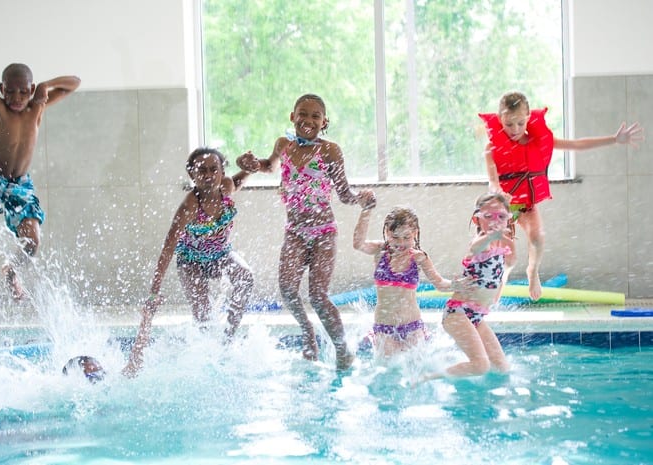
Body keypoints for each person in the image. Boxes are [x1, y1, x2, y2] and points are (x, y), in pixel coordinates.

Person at [237, 93, 376, 370]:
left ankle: (341, 349)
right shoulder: (284, 145)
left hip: (324, 232)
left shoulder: (330, 151)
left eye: (315, 116)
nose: (308, 120)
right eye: (303, 113)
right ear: (292, 116)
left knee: (317, 295)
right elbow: (270, 166)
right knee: (288, 290)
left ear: (325, 122)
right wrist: (253, 166)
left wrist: (361, 198)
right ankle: (307, 331)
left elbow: (344, 193)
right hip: (295, 231)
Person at [481, 91, 643, 300]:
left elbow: (576, 144)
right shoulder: (491, 148)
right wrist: (499, 192)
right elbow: (493, 182)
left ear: (528, 117)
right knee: (509, 259)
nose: (515, 130)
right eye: (509, 124)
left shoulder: (538, 140)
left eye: (520, 123)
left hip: (527, 207)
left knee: (538, 238)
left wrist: (614, 139)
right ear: (500, 119)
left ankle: (533, 270)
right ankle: (501, 278)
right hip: (503, 210)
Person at [0, 62, 81, 299]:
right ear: (2, 88)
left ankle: (12, 272)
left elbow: (74, 83)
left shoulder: (37, 108)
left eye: (23, 91)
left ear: (31, 90)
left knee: (32, 241)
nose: (16, 97)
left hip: (19, 186)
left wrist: (47, 85)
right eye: (10, 91)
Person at [123, 147, 254, 377]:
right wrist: (154, 290)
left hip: (220, 254)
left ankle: (228, 340)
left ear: (222, 171)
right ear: (191, 175)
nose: (208, 175)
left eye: (214, 169)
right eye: (201, 171)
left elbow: (239, 180)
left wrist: (249, 169)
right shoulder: (189, 206)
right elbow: (168, 247)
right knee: (202, 311)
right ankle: (206, 356)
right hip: (191, 260)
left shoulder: (227, 187)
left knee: (245, 276)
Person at [353, 205, 469, 357]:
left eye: (406, 237)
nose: (401, 243)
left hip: (412, 327)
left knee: (416, 374)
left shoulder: (419, 257)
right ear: (387, 232)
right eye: (395, 237)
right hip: (384, 327)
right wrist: (366, 210)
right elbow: (358, 244)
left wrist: (457, 285)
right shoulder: (380, 251)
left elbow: (440, 284)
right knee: (388, 371)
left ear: (415, 233)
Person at [426, 193, 516, 379]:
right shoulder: (482, 244)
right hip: (457, 313)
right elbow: (475, 247)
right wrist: (495, 235)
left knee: (502, 367)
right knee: (480, 365)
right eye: (488, 216)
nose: (494, 221)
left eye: (500, 216)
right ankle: (428, 377)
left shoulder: (504, 246)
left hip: (476, 316)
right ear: (477, 219)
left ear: (509, 218)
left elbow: (506, 268)